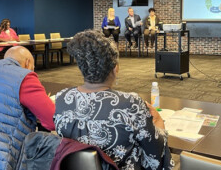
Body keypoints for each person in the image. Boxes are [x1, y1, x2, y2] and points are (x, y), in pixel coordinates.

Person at [54, 30, 174, 170]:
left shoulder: (62, 98)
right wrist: (159, 125)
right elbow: (154, 157)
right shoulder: (130, 103)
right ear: (115, 69)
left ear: (82, 69)